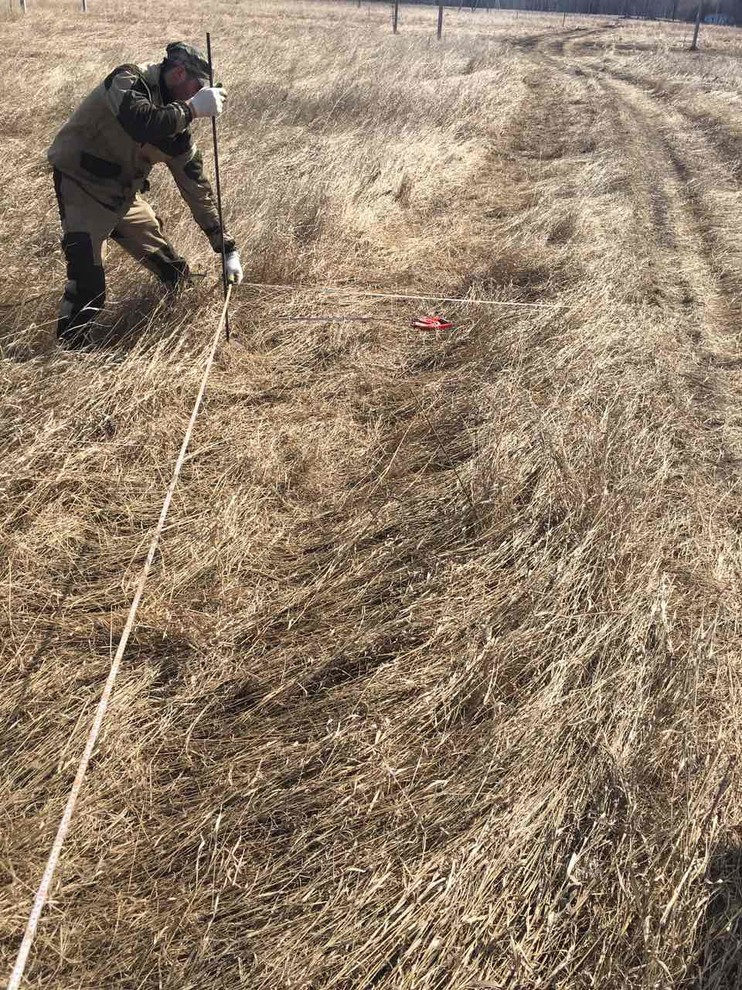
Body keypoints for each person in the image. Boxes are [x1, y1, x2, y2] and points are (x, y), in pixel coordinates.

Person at [47, 41, 243, 349]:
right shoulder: (128, 80)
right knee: (89, 289)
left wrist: (226, 247)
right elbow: (142, 123)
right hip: (81, 186)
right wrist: (191, 109)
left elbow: (196, 187)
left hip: (123, 196)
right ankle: (69, 355)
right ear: (179, 73)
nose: (199, 94)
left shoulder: (177, 126)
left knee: (175, 272)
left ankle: (169, 329)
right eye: (198, 86)